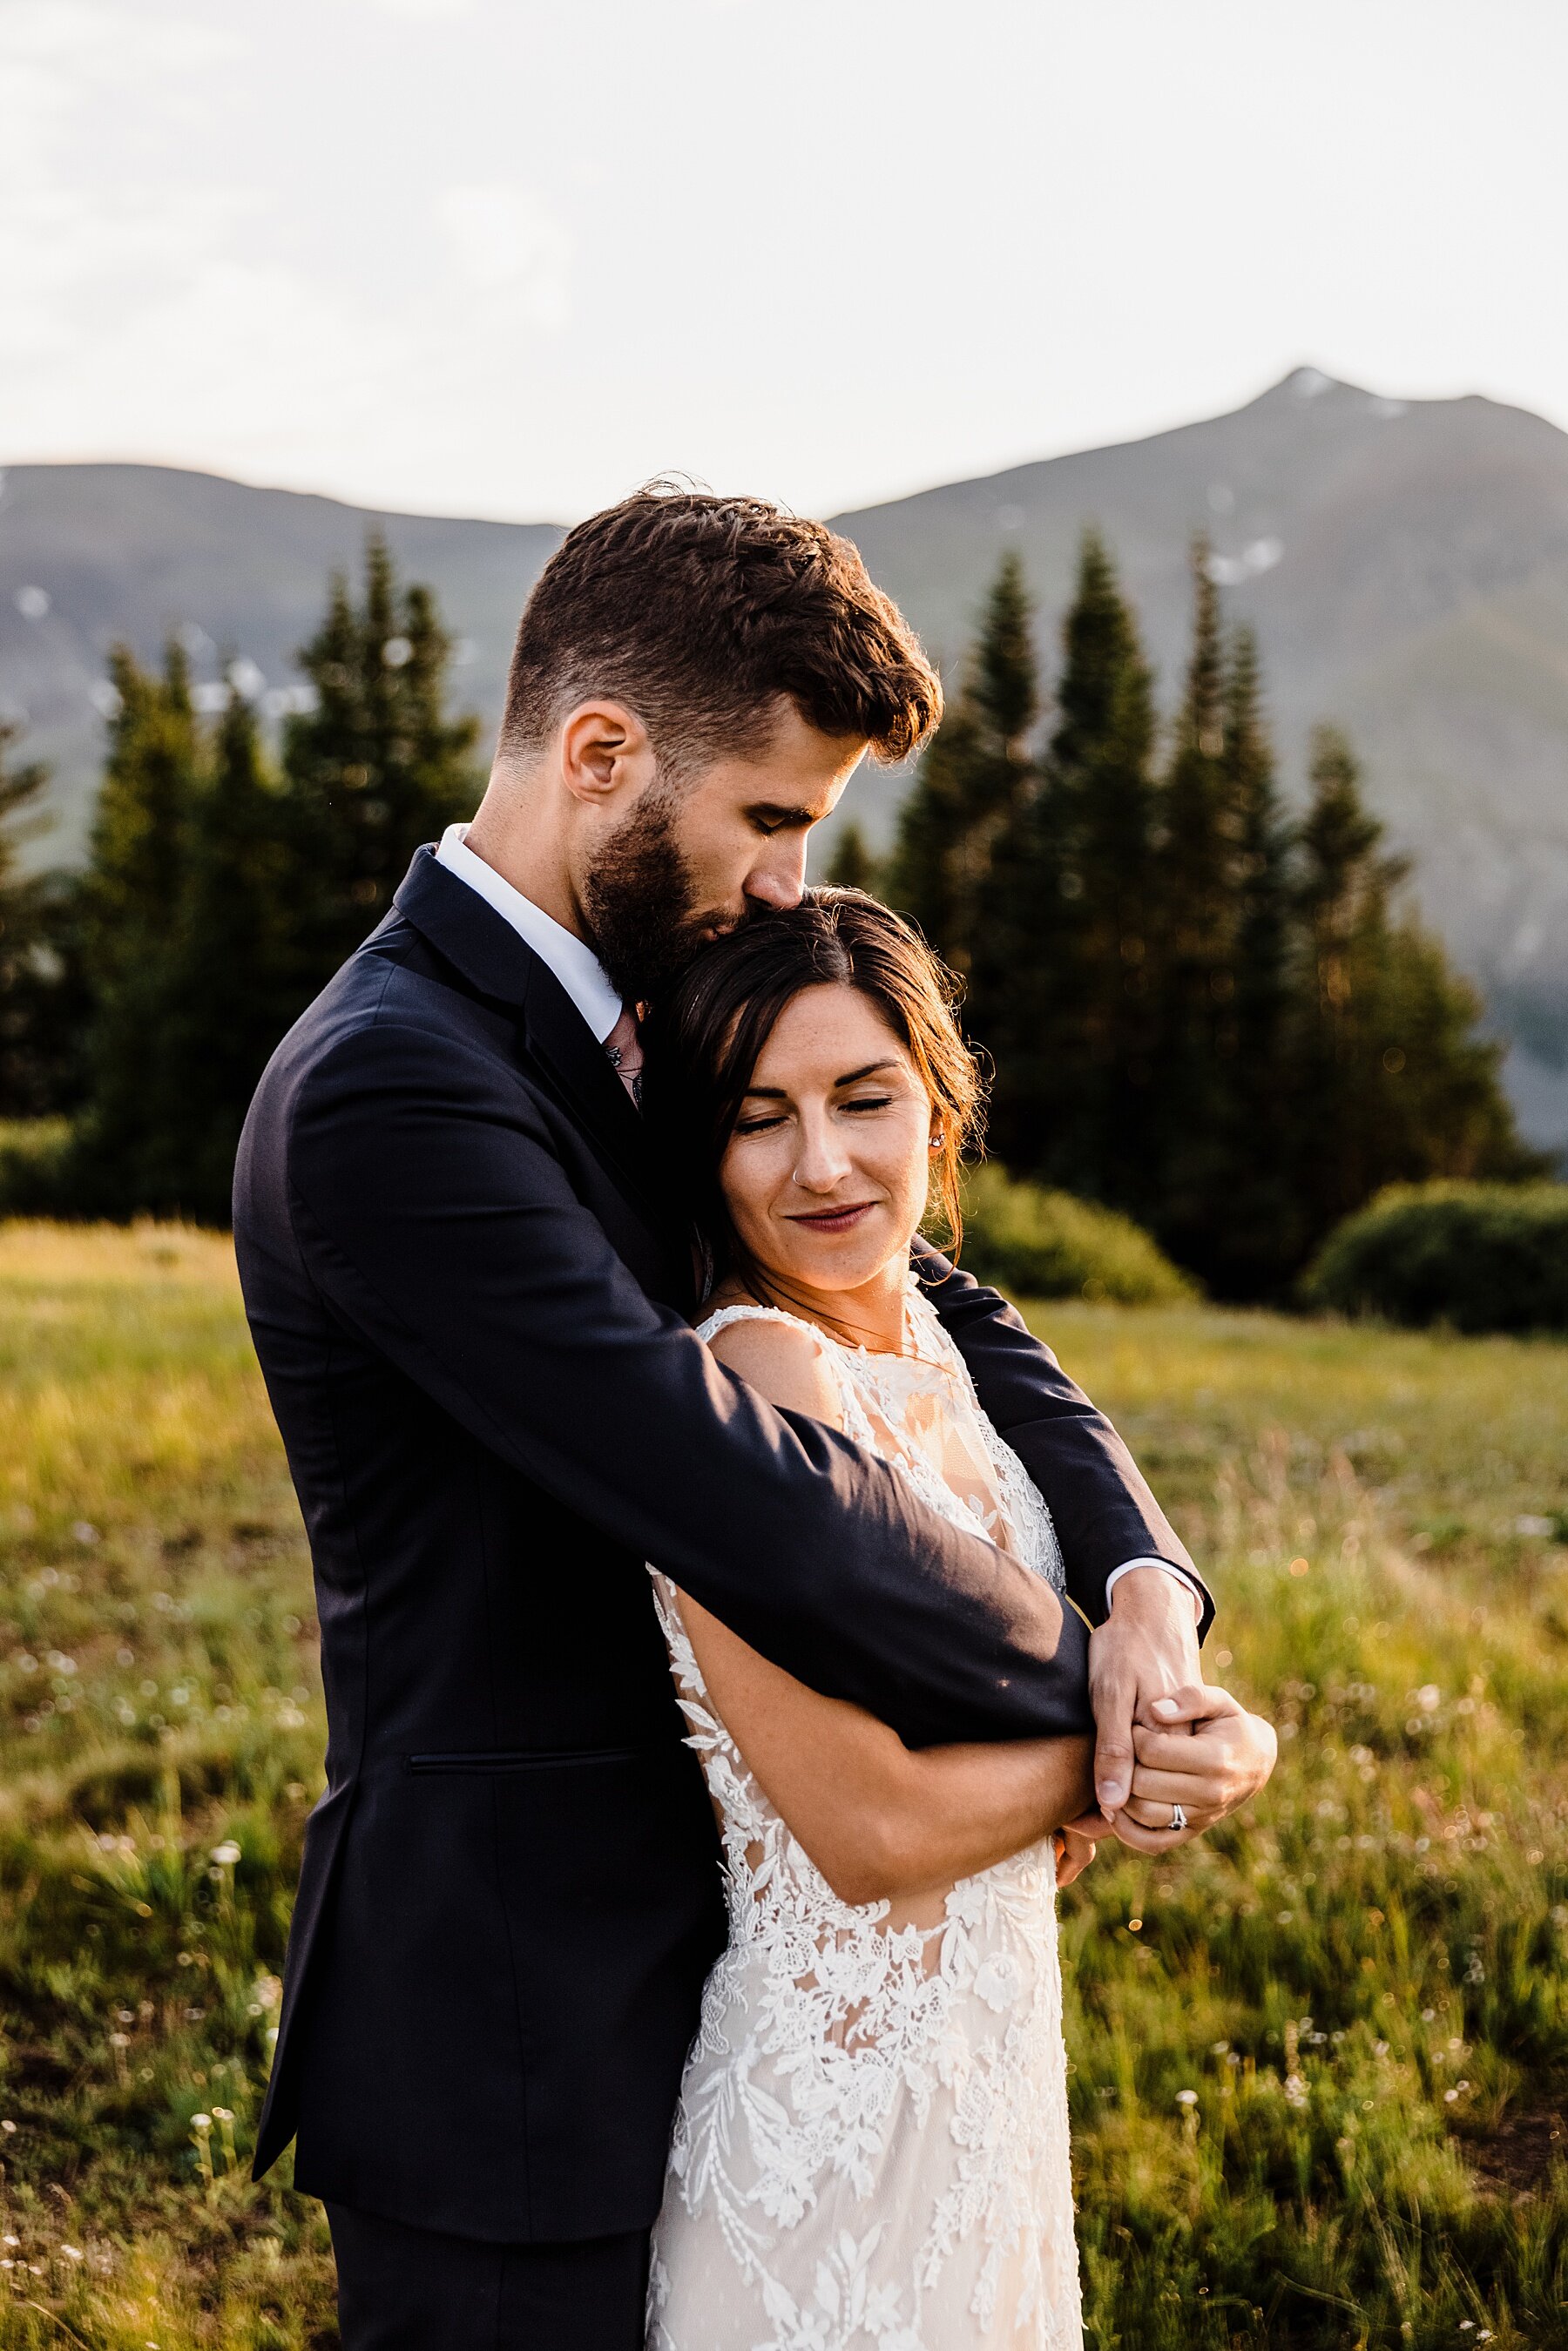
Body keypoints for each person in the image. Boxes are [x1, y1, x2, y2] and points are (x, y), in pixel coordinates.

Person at [233, 489, 1245, 2351]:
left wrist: (1148, 1601)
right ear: (602, 753)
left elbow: (949, 1317)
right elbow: (746, 1495)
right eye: (771, 816)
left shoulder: (634, 1027)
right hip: (515, 2029)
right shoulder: (397, 1090)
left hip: (732, 1998)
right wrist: (1094, 1723)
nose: (787, 880)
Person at [637, 893, 1275, 2347]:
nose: (823, 1163)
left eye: (867, 1099)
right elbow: (867, 1832)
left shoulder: (938, 1334)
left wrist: (1142, 1661)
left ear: (939, 1107)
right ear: (703, 1149)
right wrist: (1166, 1762)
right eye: (759, 1118)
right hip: (829, 2131)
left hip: (986, 2070)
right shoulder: (750, 1387)